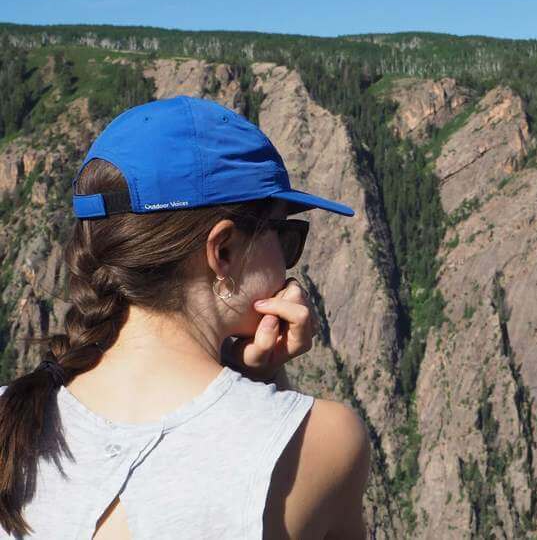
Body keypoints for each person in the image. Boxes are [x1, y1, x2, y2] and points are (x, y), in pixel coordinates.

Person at [0, 96, 371, 539]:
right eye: (287, 236)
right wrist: (270, 385)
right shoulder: (323, 439)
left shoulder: (12, 420)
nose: (288, 265)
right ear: (224, 251)